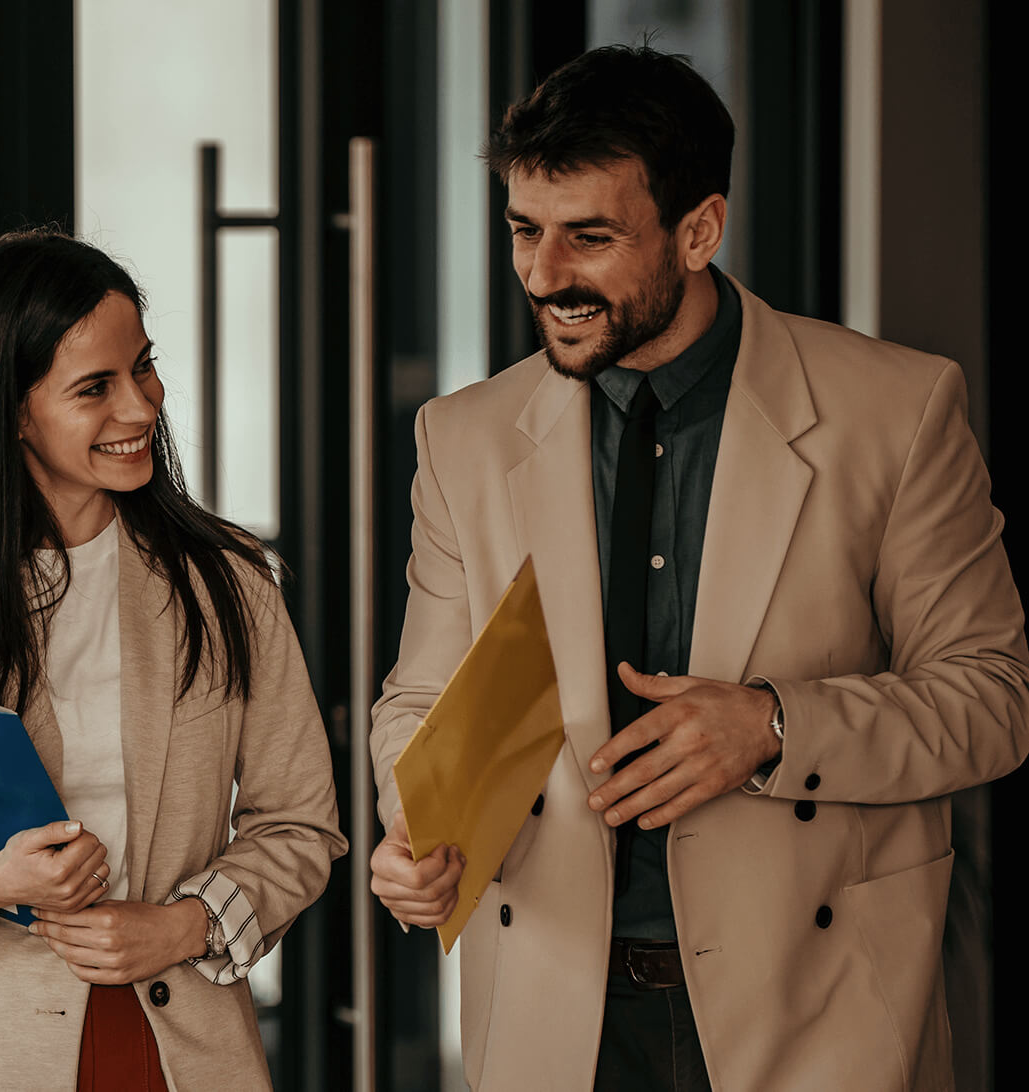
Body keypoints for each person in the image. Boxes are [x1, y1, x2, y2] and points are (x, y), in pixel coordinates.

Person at [368, 45, 1029, 1092]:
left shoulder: (895, 413)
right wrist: (411, 831)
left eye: (588, 237)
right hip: (552, 1012)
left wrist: (771, 726)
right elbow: (418, 700)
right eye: (523, 233)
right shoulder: (465, 437)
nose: (543, 276)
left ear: (697, 231)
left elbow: (988, 702)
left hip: (814, 1010)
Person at [0, 229, 346, 1090]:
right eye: (95, 388)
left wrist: (186, 924)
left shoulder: (228, 585)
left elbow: (299, 827)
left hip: (185, 1050)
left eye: (143, 368)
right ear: (12, 410)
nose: (142, 407)